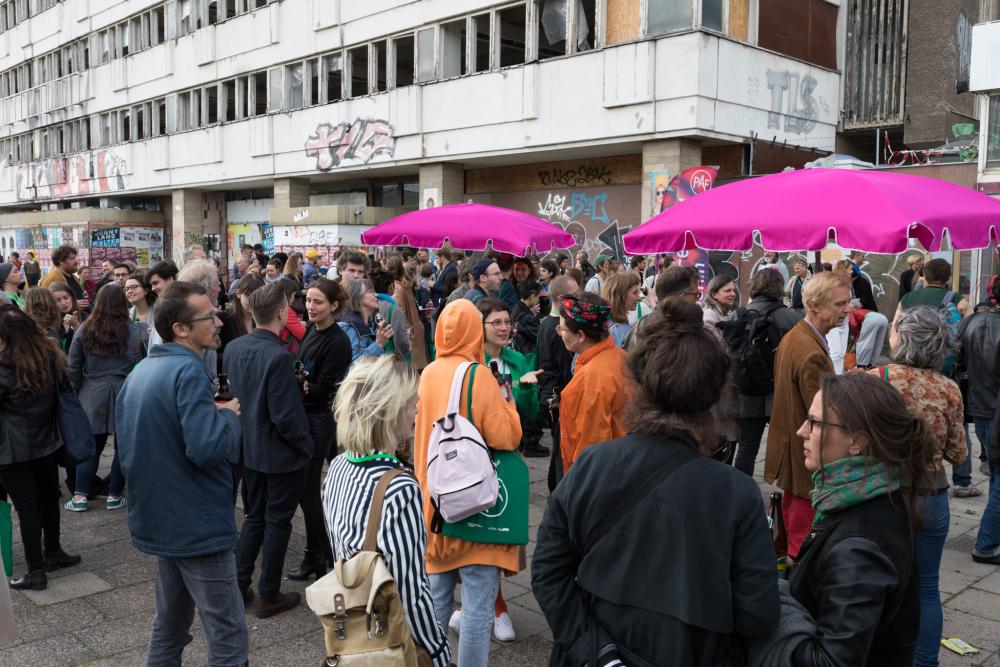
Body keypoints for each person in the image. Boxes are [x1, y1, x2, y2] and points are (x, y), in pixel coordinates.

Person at [533, 297, 779, 666]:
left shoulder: (591, 465)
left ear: (640, 385)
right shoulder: (737, 493)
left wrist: (597, 652)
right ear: (715, 395)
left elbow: (548, 571)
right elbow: (757, 613)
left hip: (595, 650)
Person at [115, 281, 247, 665]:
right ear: (181, 329)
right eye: (209, 317)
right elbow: (207, 449)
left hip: (161, 518)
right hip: (196, 524)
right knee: (227, 631)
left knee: (170, 623)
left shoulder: (142, 370)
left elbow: (134, 445)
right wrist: (228, 418)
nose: (218, 322)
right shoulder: (188, 372)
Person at [787, 373, 932, 666]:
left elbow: (831, 660)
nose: (802, 431)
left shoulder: (858, 547)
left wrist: (778, 608)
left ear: (857, 441)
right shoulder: (873, 492)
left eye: (815, 423)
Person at [322, 355, 451, 666]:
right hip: (390, 642)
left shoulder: (337, 467)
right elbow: (411, 592)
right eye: (411, 403)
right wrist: (437, 652)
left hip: (353, 629)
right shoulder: (399, 488)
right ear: (389, 412)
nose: (417, 409)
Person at [414, 299, 522, 667]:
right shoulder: (479, 375)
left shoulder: (429, 373)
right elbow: (506, 436)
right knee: (477, 608)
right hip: (474, 505)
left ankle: (430, 660)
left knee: (436, 598)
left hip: (436, 503)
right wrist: (510, 406)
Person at [864, 307, 966, 665]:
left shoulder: (877, 379)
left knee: (876, 581)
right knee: (927, 588)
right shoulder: (949, 388)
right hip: (931, 494)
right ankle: (924, 661)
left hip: (883, 494)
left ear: (903, 338)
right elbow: (958, 454)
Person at [224, 282, 313, 618]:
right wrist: (305, 445)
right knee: (276, 521)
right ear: (281, 313)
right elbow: (284, 416)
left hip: (249, 448)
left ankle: (239, 582)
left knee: (255, 516)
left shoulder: (234, 347)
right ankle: (269, 593)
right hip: (278, 453)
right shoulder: (278, 356)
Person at [765, 271, 851, 558]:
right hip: (806, 457)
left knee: (790, 529)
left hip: (792, 451)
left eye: (847, 303)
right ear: (815, 305)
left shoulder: (798, 336)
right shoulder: (810, 350)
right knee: (801, 543)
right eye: (839, 304)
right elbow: (824, 414)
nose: (847, 310)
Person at [0, 305, 82, 591]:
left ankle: (36, 571)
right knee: (48, 498)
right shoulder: (48, 356)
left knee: (26, 508)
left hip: (12, 449)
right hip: (47, 442)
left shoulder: (4, 366)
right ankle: (53, 552)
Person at [286, 278, 352, 581]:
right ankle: (325, 548)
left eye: (318, 302)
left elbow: (325, 388)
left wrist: (299, 384)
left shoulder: (338, 341)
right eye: (309, 301)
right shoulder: (312, 329)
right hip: (308, 415)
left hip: (320, 420)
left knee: (308, 490)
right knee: (308, 490)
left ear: (334, 305)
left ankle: (315, 553)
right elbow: (302, 369)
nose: (310, 307)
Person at [64, 285, 144, 512]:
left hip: (92, 392)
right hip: (125, 390)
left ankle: (80, 497)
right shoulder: (133, 330)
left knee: (91, 446)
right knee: (123, 446)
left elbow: (73, 366)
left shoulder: (85, 328)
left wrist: (74, 393)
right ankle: (115, 495)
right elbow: (141, 362)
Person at [733, 269, 802, 476]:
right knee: (789, 446)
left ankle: (742, 491)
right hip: (780, 392)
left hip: (747, 391)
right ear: (780, 288)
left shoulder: (739, 314)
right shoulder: (791, 318)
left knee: (746, 449)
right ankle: (786, 490)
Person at [557, 292, 628, 472]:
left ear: (580, 335)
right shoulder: (621, 356)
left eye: (562, 329)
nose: (559, 333)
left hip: (601, 474)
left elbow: (592, 447)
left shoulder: (592, 379)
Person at [537, 274, 579, 490]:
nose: (580, 298)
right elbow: (566, 370)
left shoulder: (546, 323)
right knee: (561, 452)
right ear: (563, 299)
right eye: (576, 294)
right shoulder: (560, 330)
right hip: (557, 396)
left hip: (548, 392)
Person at [960, 279, 1000, 485]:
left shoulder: (970, 321)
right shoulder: (971, 320)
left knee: (996, 472)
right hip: (986, 404)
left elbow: (957, 361)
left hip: (979, 404)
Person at [338, 278, 394, 364]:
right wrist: (378, 343)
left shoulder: (371, 323)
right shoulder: (350, 327)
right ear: (357, 296)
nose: (376, 295)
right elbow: (354, 365)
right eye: (371, 292)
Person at [40, 245, 89, 310]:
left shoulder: (73, 276)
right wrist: (72, 305)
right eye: (72, 259)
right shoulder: (51, 279)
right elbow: (44, 304)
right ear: (61, 261)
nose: (76, 261)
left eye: (75, 258)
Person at [601, 271, 641, 348]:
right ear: (620, 296)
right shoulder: (620, 330)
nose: (639, 298)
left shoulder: (603, 322)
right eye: (635, 293)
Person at [125, 272, 156, 347]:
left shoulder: (158, 313)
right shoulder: (126, 316)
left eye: (134, 287)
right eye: (127, 289)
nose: (129, 291)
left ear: (146, 290)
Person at [511, 280, 541, 354]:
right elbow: (541, 338)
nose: (538, 300)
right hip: (528, 355)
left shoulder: (517, 308)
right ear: (532, 296)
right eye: (538, 297)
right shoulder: (527, 318)